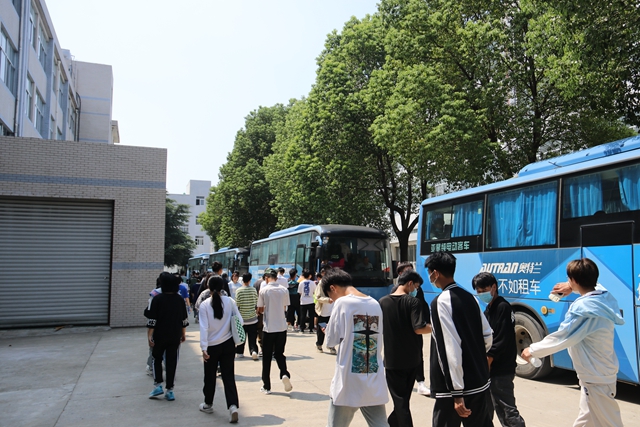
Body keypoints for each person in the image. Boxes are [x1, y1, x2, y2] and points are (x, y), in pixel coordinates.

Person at [522, 258, 624, 427]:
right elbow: (598, 286)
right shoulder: (603, 298)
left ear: (574, 280)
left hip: (595, 377)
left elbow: (562, 337)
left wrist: (532, 350)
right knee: (586, 420)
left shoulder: (585, 310)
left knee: (610, 423)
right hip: (597, 375)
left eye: (569, 279)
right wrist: (572, 287)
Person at [426, 251, 493, 427]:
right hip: (478, 380)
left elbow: (449, 349)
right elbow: (487, 335)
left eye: (430, 273)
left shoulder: (441, 302)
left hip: (453, 390)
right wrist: (474, 357)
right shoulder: (470, 297)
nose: (430, 277)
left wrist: (456, 392)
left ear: (435, 273)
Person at [322, 268, 389, 427]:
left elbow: (330, 341)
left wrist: (328, 330)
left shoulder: (342, 303)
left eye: (330, 296)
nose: (332, 300)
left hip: (348, 381)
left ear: (333, 288)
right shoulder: (375, 303)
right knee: (380, 424)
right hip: (373, 377)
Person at [472, 272, 526, 427]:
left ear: (494, 287)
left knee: (507, 409)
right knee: (495, 408)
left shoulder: (502, 307)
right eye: (478, 291)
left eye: (484, 290)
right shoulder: (489, 309)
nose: (481, 294)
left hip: (501, 368)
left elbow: (501, 339)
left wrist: (488, 360)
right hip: (492, 369)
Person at [379, 271, 431, 427]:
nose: (416, 290)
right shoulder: (413, 302)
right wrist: (436, 327)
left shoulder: (382, 302)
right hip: (412, 359)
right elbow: (419, 328)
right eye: (416, 286)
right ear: (410, 283)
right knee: (402, 402)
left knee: (401, 402)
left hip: (392, 360)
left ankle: (389, 424)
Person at [198, 276, 241, 423]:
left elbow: (204, 328)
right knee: (228, 376)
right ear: (222, 286)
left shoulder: (204, 305)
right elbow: (240, 321)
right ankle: (233, 406)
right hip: (228, 344)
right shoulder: (230, 301)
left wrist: (204, 348)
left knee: (210, 376)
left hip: (211, 346)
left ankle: (208, 404)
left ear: (208, 287)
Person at [146, 272, 189, 401]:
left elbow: (152, 320)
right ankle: (170, 390)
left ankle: (158, 385)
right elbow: (184, 320)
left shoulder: (157, 299)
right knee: (172, 361)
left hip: (159, 335)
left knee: (156, 358)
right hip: (175, 335)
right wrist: (183, 334)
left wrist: (149, 336)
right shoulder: (179, 300)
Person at [257, 267, 292, 394]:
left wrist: (264, 310)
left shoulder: (263, 290)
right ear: (276, 278)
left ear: (266, 278)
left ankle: (267, 386)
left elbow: (260, 309)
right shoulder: (284, 290)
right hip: (282, 327)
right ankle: (284, 373)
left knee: (266, 357)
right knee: (279, 354)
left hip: (269, 328)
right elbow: (285, 307)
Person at [235, 273, 259, 360]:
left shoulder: (239, 291)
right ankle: (253, 351)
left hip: (242, 319)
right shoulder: (253, 290)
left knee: (241, 336)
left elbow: (237, 304)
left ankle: (240, 352)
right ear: (250, 280)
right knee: (252, 337)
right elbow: (256, 302)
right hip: (253, 319)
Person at [314, 268, 336, 354]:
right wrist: (327, 300)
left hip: (333, 310)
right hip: (323, 310)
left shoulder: (335, 283)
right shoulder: (321, 284)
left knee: (332, 329)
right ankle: (319, 344)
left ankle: (331, 345)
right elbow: (317, 297)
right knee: (321, 329)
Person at [298, 269, 317, 334]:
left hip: (303, 301)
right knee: (311, 315)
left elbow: (300, 292)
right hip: (311, 301)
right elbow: (314, 292)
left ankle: (302, 328)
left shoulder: (301, 283)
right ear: (310, 276)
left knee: (302, 315)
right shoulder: (312, 283)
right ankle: (311, 329)